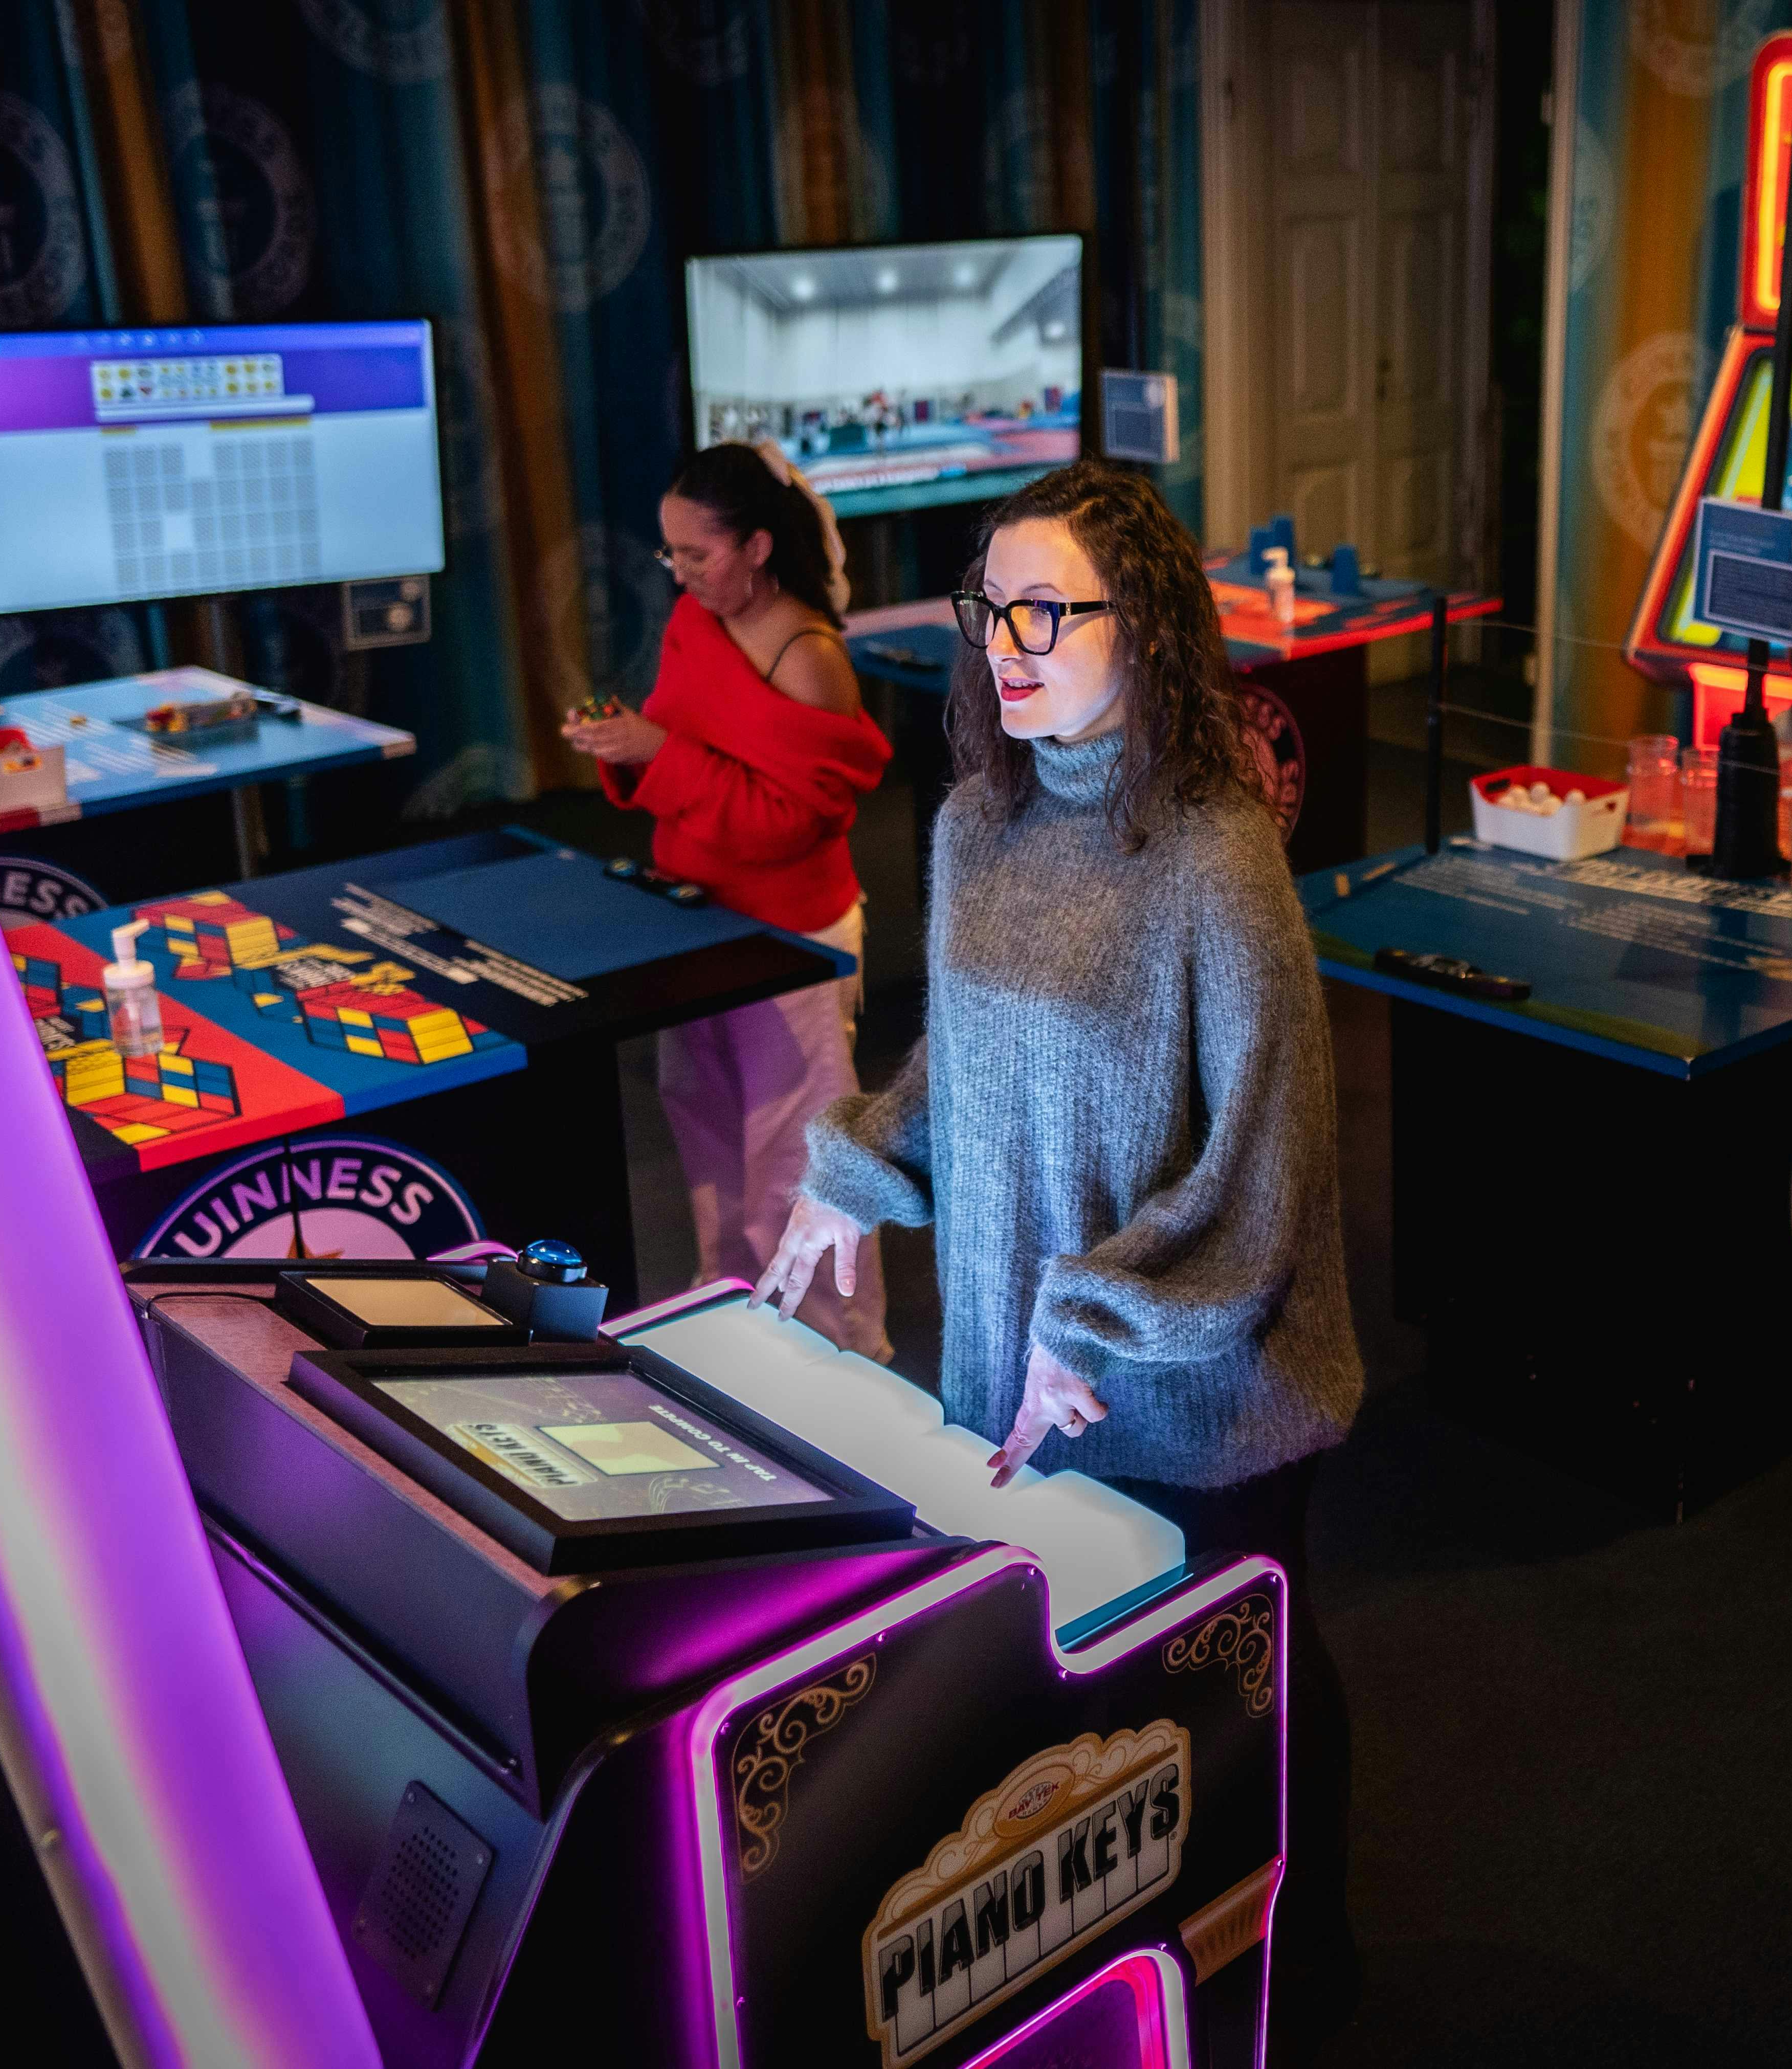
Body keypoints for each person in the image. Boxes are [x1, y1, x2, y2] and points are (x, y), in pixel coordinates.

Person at [749, 460, 1367, 2046]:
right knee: (1086, 1758)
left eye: (1046, 610)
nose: (1005, 643)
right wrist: (853, 1173)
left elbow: (1269, 1172)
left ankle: (1293, 1981)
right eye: (988, 609)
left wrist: (1095, 1320)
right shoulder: (974, 823)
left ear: (1143, 629)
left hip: (1196, 1411)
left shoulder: (1217, 857)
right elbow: (961, 1073)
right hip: (1008, 1388)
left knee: (1236, 1734)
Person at [564, 441, 892, 1357]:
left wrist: (652, 755)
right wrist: (623, 743)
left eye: (696, 555)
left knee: (798, 1164)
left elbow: (790, 823)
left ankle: (839, 1352)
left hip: (791, 939)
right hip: (696, 922)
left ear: (755, 548)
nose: (679, 574)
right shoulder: (693, 621)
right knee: (707, 1146)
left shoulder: (810, 656)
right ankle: (737, 1331)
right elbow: (678, 738)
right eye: (670, 555)